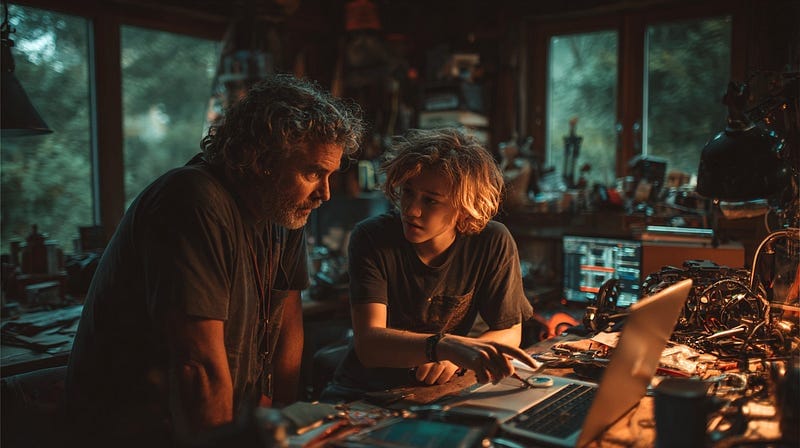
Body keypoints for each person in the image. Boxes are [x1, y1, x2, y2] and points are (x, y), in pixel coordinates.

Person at [64, 74, 365, 447]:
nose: (325, 193)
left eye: (330, 175)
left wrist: (290, 425)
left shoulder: (283, 208)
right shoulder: (193, 198)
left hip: (206, 424)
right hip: (135, 429)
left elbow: (288, 314)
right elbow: (197, 365)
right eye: (312, 173)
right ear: (263, 160)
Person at [321, 128, 537, 403]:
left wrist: (457, 356)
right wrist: (443, 348)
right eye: (408, 192)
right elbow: (369, 344)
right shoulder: (371, 237)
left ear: (464, 204)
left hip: (438, 391)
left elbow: (510, 331)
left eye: (430, 200)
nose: (411, 209)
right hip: (363, 392)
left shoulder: (492, 241)